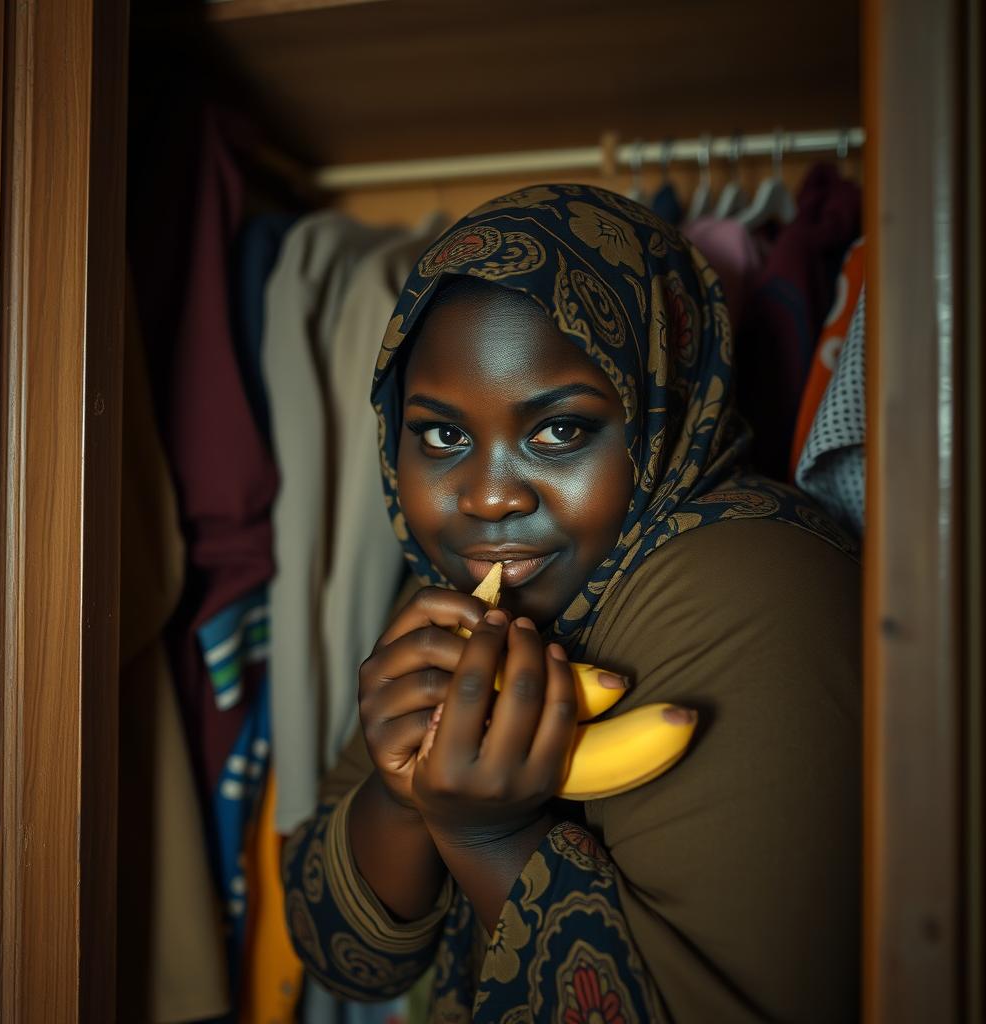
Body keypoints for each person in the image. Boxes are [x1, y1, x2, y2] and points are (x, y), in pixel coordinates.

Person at [282, 184, 860, 1023]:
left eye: (558, 431)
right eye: (442, 435)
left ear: (659, 406)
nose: (487, 499)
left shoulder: (760, 594)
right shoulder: (449, 592)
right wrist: (401, 798)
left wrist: (488, 841)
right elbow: (341, 952)